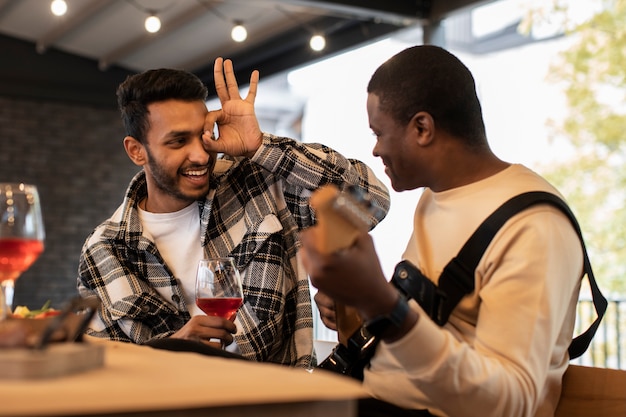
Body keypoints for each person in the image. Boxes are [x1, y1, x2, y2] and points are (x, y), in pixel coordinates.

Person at [300, 45, 584, 416]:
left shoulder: (534, 226)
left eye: (379, 132)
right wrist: (358, 303)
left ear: (422, 128)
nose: (375, 150)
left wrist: (382, 304)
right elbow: (432, 333)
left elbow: (512, 402)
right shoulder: (434, 198)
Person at [77, 57, 390, 369]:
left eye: (203, 135)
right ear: (136, 150)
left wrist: (260, 146)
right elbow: (96, 369)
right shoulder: (104, 251)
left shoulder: (257, 183)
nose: (200, 155)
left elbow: (369, 204)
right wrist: (167, 352)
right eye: (178, 142)